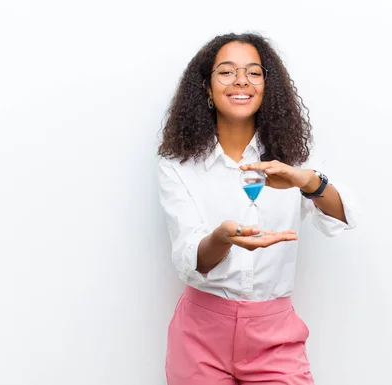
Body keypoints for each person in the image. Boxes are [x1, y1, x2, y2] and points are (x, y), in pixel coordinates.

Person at [157, 32, 357, 385]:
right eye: (226, 72)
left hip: (274, 334)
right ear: (206, 86)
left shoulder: (292, 157)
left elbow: (343, 217)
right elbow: (191, 257)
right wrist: (223, 238)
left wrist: (307, 181)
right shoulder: (178, 165)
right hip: (200, 334)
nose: (241, 81)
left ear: (267, 85)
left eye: (253, 72)